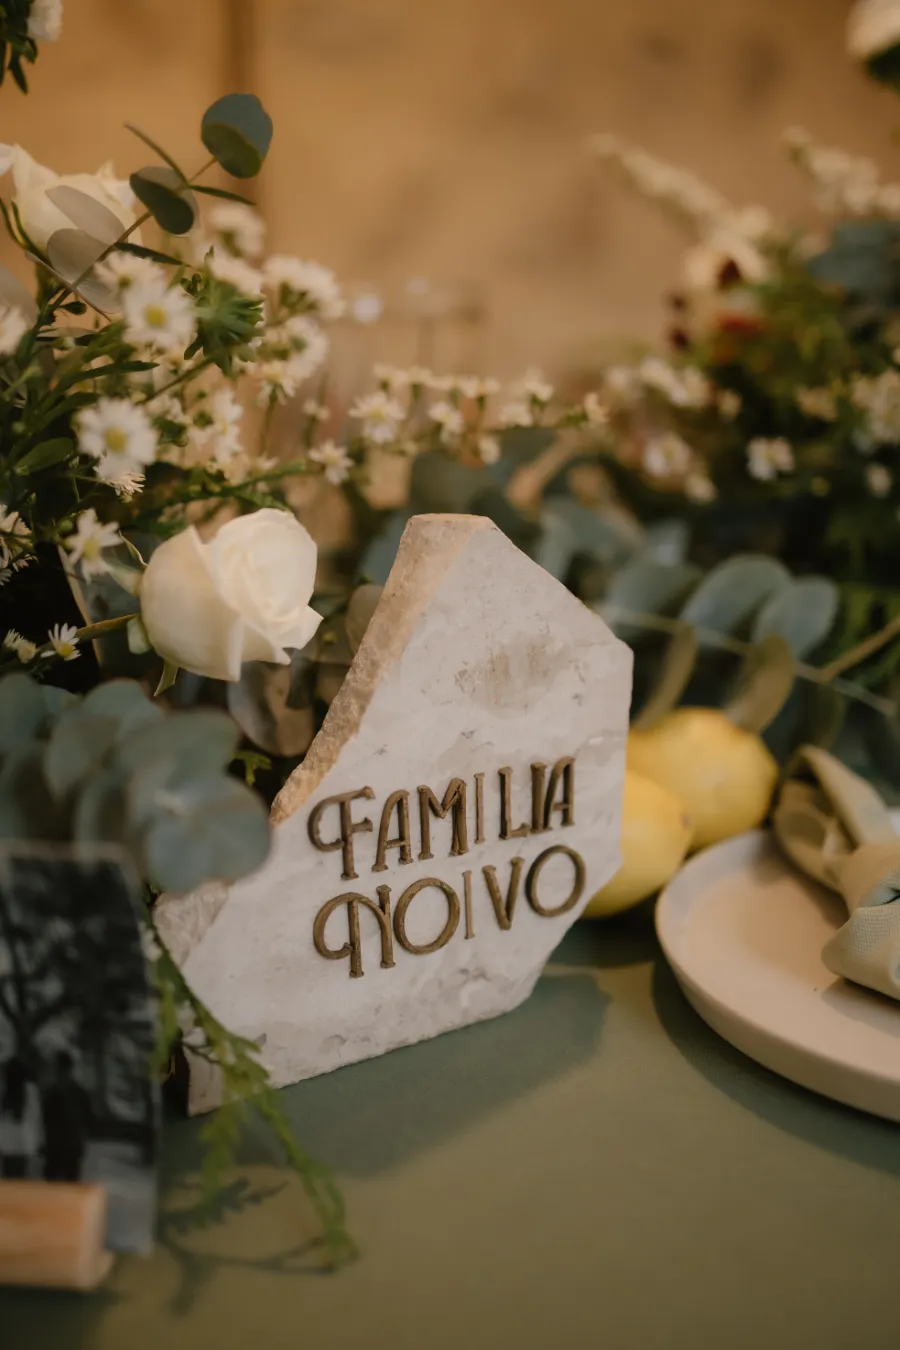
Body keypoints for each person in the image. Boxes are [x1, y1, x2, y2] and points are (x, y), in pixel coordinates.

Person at [41, 1051, 91, 1182]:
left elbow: (45, 1119)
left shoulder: (51, 1092)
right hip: (73, 1144)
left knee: (52, 1186)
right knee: (71, 1185)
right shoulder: (80, 1092)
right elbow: (89, 1119)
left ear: (57, 1068)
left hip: (54, 1146)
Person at [0, 1055, 43, 1179]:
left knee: (9, 1177)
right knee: (22, 1178)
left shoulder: (4, 1091)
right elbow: (36, 1117)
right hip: (24, 1143)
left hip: (6, 1143)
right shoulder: (30, 1090)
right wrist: (39, 1140)